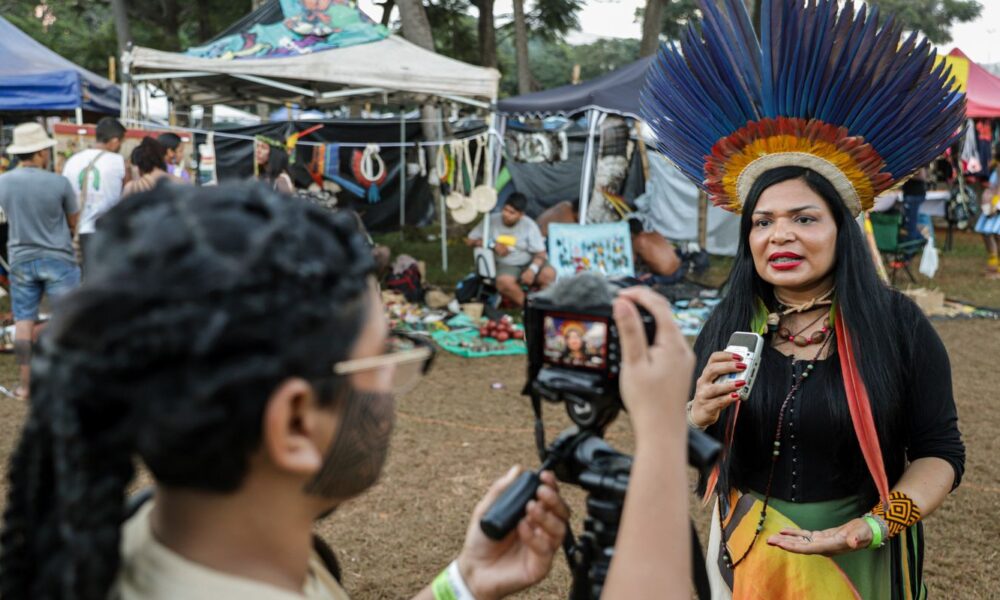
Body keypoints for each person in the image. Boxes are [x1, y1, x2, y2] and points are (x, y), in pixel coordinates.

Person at [0, 181, 695, 600]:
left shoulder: (157, 536)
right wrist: (662, 435)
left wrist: (464, 582)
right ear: (295, 425)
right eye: (380, 364)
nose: (392, 393)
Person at [642, 0, 966, 597]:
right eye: (762, 222)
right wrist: (696, 416)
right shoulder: (730, 322)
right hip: (743, 555)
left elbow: (940, 453)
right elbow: (686, 451)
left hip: (859, 563)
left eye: (804, 218)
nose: (779, 235)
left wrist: (873, 526)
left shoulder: (898, 326)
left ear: (842, 230)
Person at [0, 123, 80, 399]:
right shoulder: (59, 182)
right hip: (58, 256)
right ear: (40, 152)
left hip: (20, 257)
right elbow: (73, 222)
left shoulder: (3, 181)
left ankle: (26, 385)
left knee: (23, 320)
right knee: (69, 318)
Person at [466, 193, 556, 307]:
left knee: (549, 274)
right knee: (504, 282)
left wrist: (532, 270)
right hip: (507, 264)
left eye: (512, 213)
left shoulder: (529, 225)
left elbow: (541, 253)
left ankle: (544, 305)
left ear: (521, 215)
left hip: (529, 261)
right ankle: (529, 307)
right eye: (505, 210)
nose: (506, 215)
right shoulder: (492, 220)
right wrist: (492, 244)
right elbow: (470, 240)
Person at [62, 117, 127, 265]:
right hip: (107, 233)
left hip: (79, 233)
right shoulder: (119, 162)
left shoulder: (72, 161)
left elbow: (65, 198)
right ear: (115, 141)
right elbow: (126, 196)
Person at [974, 148, 1000, 279]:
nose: (992, 149)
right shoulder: (995, 165)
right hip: (993, 202)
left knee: (994, 235)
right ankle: (994, 264)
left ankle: (996, 268)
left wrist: (995, 203)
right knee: (989, 234)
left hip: (996, 204)